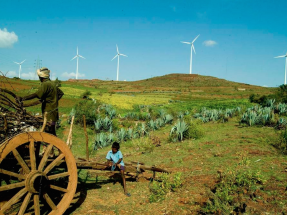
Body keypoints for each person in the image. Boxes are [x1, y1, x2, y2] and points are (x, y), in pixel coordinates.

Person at [17, 67, 64, 136]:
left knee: (48, 132)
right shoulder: (52, 84)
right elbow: (60, 93)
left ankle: (51, 145)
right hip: (54, 111)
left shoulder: (45, 84)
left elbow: (37, 94)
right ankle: (54, 145)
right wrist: (53, 100)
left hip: (48, 112)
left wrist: (23, 98)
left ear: (41, 77)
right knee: (52, 130)